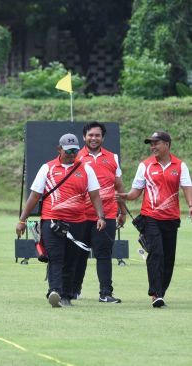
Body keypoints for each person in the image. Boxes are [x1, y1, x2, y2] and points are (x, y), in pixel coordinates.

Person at [16, 133, 106, 307]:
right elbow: (34, 196)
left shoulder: (86, 169)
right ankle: (54, 291)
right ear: (59, 149)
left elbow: (95, 196)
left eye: (75, 150)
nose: (72, 154)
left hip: (78, 222)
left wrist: (100, 216)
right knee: (56, 257)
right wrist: (22, 220)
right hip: (52, 220)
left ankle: (66, 295)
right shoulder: (47, 168)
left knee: (72, 259)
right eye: (68, 151)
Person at [116, 131, 192, 308]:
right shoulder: (145, 166)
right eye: (151, 144)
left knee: (168, 258)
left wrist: (190, 205)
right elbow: (136, 192)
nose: (152, 147)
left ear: (167, 144)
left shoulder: (180, 166)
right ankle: (155, 293)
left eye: (156, 143)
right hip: (150, 217)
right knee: (156, 252)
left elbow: (187, 187)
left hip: (172, 218)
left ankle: (161, 292)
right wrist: (124, 196)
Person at [72, 122, 126, 303]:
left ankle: (105, 293)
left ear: (103, 138)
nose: (93, 138)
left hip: (107, 214)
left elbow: (119, 186)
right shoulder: (76, 157)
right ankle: (74, 290)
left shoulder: (113, 157)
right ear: (84, 137)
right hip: (81, 215)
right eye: (90, 135)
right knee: (79, 254)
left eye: (97, 135)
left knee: (103, 254)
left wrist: (123, 212)